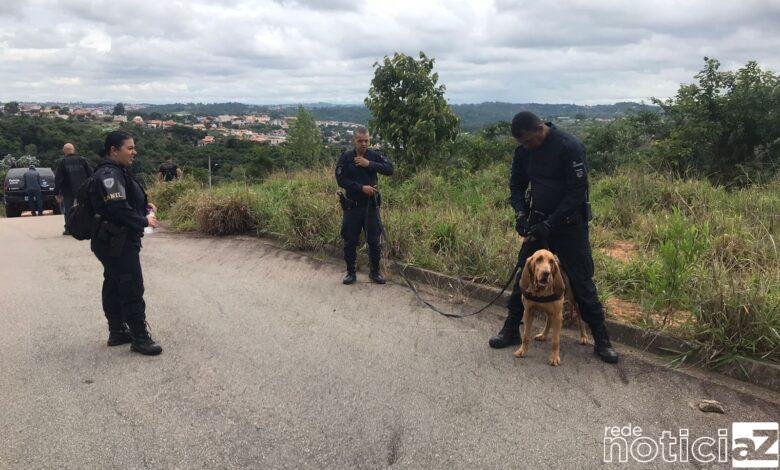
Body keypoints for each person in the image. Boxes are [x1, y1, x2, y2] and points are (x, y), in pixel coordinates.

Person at [488, 111, 619, 364]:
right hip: (538, 225)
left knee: (581, 281)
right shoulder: (524, 151)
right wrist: (521, 215)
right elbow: (516, 185)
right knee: (523, 276)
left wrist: (551, 222)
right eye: (522, 144)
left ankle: (602, 341)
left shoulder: (569, 147)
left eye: (528, 141)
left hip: (569, 226)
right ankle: (511, 329)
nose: (526, 147)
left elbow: (576, 192)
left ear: (540, 129)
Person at [89, 130, 162, 355]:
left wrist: (143, 208)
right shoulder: (109, 174)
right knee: (131, 286)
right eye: (129, 148)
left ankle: (117, 331)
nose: (134, 152)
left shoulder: (117, 171)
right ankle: (139, 337)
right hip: (116, 241)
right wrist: (144, 220)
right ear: (113, 150)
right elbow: (118, 208)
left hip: (112, 239)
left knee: (113, 282)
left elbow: (124, 201)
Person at [335, 127, 394, 285]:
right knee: (350, 241)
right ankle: (351, 273)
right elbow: (341, 180)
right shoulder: (346, 157)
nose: (363, 143)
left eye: (366, 140)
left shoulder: (373, 156)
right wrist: (361, 188)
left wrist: (369, 164)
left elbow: (390, 169)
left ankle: (374, 273)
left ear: (369, 140)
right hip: (352, 207)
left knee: (374, 241)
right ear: (354, 141)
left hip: (371, 207)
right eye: (360, 140)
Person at [55, 143, 93, 235]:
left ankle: (69, 229)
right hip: (82, 189)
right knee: (85, 207)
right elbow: (91, 174)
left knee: (68, 209)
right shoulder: (82, 160)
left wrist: (57, 192)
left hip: (67, 190)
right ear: (74, 150)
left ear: (64, 151)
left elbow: (58, 178)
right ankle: (87, 227)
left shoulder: (62, 162)